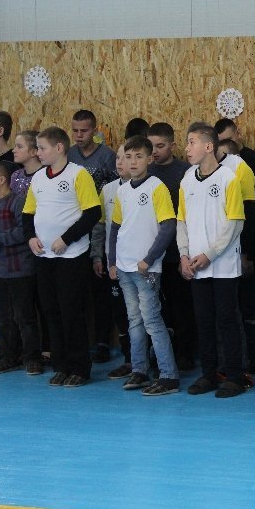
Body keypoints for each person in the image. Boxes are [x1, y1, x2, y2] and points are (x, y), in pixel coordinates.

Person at [22, 127, 101, 387]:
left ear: (59, 148)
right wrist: (30, 237)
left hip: (71, 257)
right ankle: (61, 365)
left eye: (42, 148)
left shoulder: (78, 174)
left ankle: (80, 367)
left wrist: (66, 239)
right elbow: (28, 214)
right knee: (51, 311)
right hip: (44, 256)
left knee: (71, 312)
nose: (38, 152)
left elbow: (92, 213)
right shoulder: (38, 178)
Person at [177, 122, 250, 398]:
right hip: (196, 267)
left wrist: (210, 254)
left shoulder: (228, 178)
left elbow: (235, 223)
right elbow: (181, 221)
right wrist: (184, 255)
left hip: (223, 266)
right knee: (204, 321)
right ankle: (208, 374)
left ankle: (235, 376)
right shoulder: (187, 179)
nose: (187, 148)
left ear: (208, 146)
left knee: (227, 321)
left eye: (192, 142)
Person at [109, 136, 180, 396]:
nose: (133, 162)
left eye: (139, 157)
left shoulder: (156, 187)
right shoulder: (122, 190)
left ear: (149, 159)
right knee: (134, 320)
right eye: (128, 157)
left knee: (152, 320)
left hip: (145, 268)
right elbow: (115, 228)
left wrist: (149, 259)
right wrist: (112, 260)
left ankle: (168, 375)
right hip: (124, 266)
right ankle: (139, 369)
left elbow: (168, 226)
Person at [215, 118, 255, 373]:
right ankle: (233, 360)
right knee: (231, 309)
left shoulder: (252, 162)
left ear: (238, 135)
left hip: (253, 247)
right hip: (225, 253)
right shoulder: (213, 172)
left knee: (253, 306)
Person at [67, 109, 118, 363]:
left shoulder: (107, 156)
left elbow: (117, 191)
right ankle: (78, 342)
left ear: (95, 130)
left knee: (101, 290)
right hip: (72, 228)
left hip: (99, 227)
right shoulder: (68, 155)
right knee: (76, 290)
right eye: (75, 130)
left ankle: (102, 341)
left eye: (84, 130)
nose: (79, 135)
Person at [0, 161, 41, 375]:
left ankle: (32, 358)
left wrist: (0, 238)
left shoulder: (18, 201)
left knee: (25, 317)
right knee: (5, 318)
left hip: (21, 270)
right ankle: (9, 357)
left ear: (2, 180)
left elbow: (25, 230)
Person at [146, 122, 195, 371]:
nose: (154, 151)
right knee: (157, 309)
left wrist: (186, 252)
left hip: (177, 252)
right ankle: (160, 356)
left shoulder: (186, 172)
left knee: (182, 306)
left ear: (173, 146)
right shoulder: (144, 172)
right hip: (151, 253)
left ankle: (185, 354)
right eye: (151, 146)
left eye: (160, 146)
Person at [92, 145, 132, 380]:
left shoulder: (151, 187)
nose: (120, 162)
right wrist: (98, 256)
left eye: (126, 157)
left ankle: (147, 360)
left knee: (143, 314)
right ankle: (128, 360)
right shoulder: (107, 190)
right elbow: (99, 227)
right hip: (113, 263)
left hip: (139, 264)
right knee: (120, 312)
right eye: (117, 157)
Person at [10, 130, 43, 197]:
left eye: (19, 147)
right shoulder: (16, 175)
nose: (13, 150)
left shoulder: (45, 175)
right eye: (15, 146)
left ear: (34, 152)